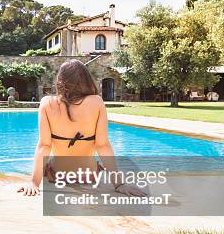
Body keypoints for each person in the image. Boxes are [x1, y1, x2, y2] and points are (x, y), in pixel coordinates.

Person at [18, 59, 146, 197]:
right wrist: (119, 184)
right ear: (87, 80)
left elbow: (44, 146)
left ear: (60, 81)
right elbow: (102, 145)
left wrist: (34, 183)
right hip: (89, 176)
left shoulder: (47, 103)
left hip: (56, 176)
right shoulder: (97, 102)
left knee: (46, 163)